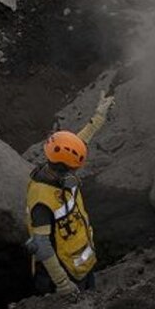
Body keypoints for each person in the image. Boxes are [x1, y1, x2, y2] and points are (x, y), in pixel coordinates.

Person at [26, 92, 115, 296]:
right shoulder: (42, 198)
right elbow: (41, 245)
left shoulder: (57, 167)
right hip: (60, 276)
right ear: (66, 168)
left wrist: (98, 116)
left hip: (80, 266)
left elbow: (76, 146)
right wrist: (62, 284)